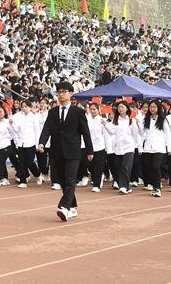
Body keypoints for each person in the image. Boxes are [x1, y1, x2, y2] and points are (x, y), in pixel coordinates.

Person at [38, 82, 93, 221]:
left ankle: (64, 206)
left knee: (70, 179)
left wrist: (89, 151)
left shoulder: (78, 112)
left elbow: (85, 133)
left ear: (71, 93)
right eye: (59, 92)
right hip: (57, 151)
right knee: (62, 180)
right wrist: (41, 143)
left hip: (73, 151)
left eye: (64, 92)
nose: (61, 94)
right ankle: (72, 207)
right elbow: (47, 129)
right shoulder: (53, 112)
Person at [105, 100, 140, 194]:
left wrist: (140, 148)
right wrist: (106, 125)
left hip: (129, 146)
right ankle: (127, 186)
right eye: (119, 107)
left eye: (122, 107)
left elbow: (136, 135)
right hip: (119, 147)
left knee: (125, 166)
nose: (120, 109)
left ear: (127, 108)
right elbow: (111, 132)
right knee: (120, 167)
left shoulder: (131, 120)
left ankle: (123, 186)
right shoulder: (115, 120)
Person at [140, 99, 171, 197]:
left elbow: (168, 134)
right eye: (151, 107)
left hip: (159, 147)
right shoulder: (146, 119)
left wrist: (170, 148)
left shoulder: (163, 120)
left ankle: (157, 188)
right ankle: (154, 185)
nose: (152, 109)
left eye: (154, 107)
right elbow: (141, 132)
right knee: (148, 167)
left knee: (156, 166)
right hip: (148, 147)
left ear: (158, 108)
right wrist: (138, 124)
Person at [85, 102, 108, 193]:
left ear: (98, 110)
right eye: (91, 109)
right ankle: (98, 176)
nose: (92, 111)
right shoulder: (87, 120)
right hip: (90, 146)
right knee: (89, 164)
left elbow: (106, 135)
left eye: (94, 109)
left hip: (100, 146)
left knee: (99, 165)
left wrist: (108, 148)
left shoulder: (102, 120)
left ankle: (96, 185)